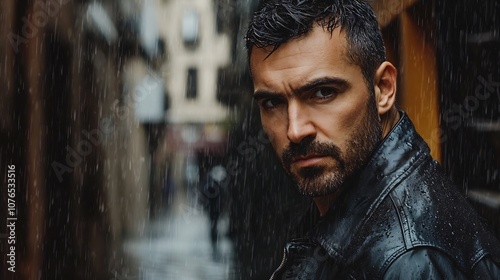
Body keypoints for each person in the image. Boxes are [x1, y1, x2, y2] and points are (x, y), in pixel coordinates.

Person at [245, 0, 500, 278]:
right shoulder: (343, 206)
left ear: (383, 89)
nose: (295, 131)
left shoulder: (412, 260)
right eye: (272, 103)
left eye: (323, 93)